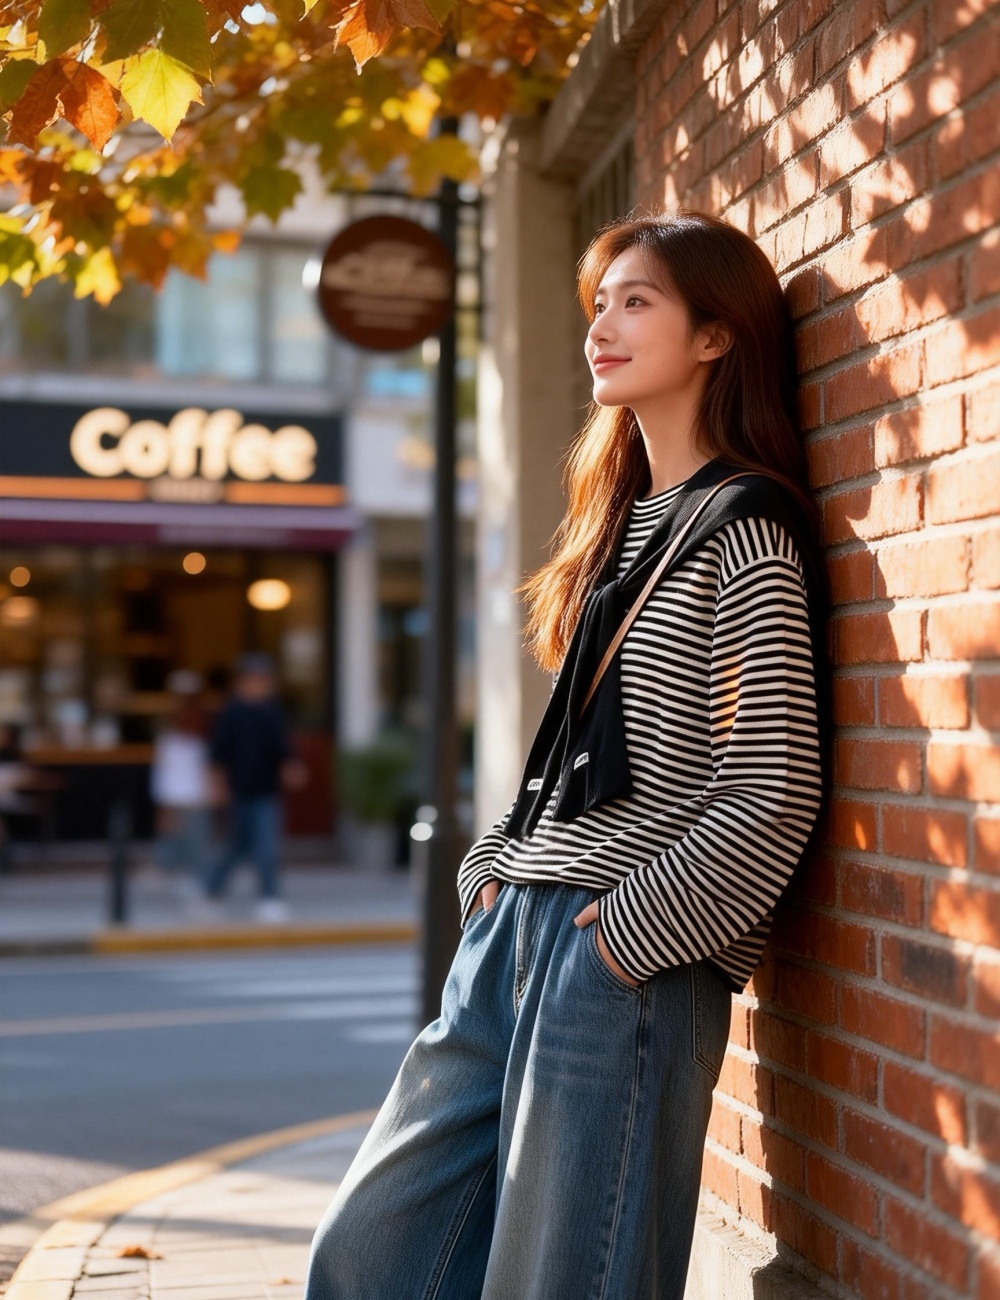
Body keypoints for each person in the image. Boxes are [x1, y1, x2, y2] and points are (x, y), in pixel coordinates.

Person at [304, 210, 830, 1300]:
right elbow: (566, 757)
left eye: (636, 301)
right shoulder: (622, 523)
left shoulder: (745, 525)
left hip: (620, 951)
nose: (601, 325)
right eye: (599, 303)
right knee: (367, 1255)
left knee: (558, 1282)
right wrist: (488, 876)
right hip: (513, 931)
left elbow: (773, 782)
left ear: (714, 336)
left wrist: (627, 940)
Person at [203, 651, 306, 922]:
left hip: (266, 790)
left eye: (261, 679)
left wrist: (291, 767)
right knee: (237, 846)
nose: (256, 685)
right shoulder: (231, 713)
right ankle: (211, 890)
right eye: (252, 679)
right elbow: (217, 754)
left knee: (266, 846)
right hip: (240, 790)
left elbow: (283, 748)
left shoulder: (271, 712)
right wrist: (216, 785)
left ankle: (269, 896)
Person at [149, 670, 212, 898]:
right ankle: (170, 873)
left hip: (196, 795)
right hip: (177, 796)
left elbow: (208, 765)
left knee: (196, 843)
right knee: (174, 839)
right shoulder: (169, 734)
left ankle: (197, 882)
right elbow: (164, 770)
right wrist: (164, 802)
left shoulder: (203, 730)